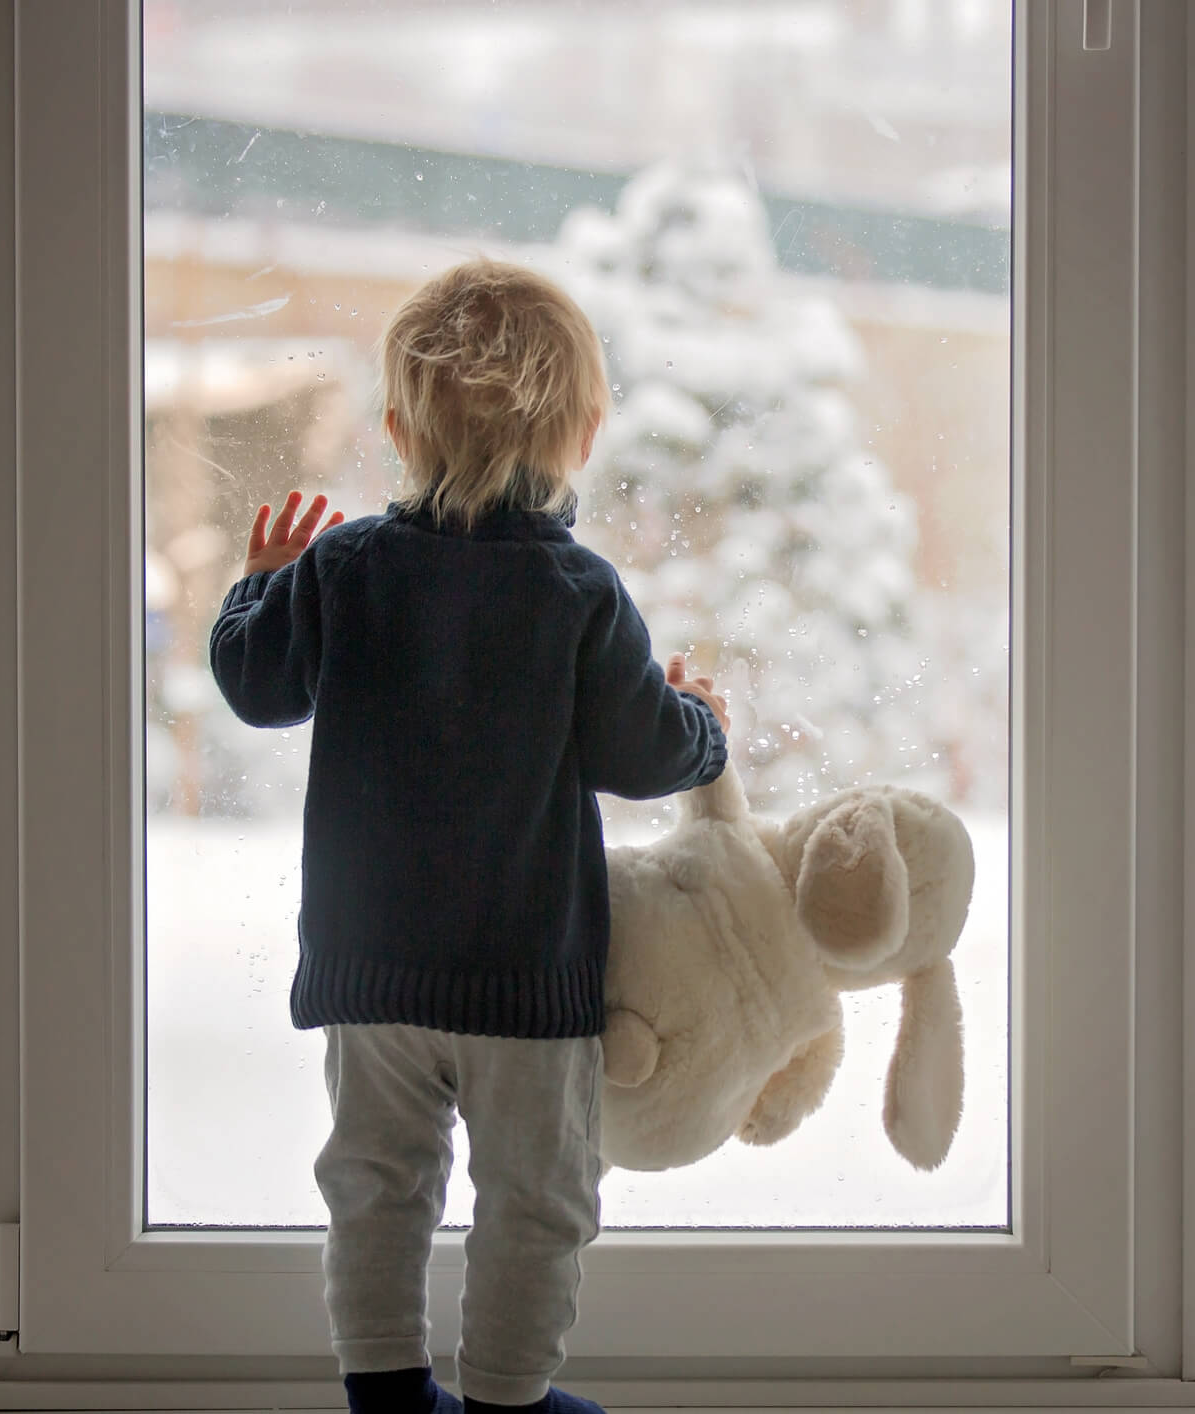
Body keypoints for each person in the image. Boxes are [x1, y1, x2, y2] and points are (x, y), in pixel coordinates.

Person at [210, 258, 730, 1414]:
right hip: (521, 974)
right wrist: (702, 728)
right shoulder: (578, 594)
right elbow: (643, 755)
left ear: (397, 427)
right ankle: (508, 1398)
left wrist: (259, 586)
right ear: (585, 434)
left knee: (377, 1182)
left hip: (372, 970)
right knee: (535, 1194)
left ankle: (386, 1390)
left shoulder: (342, 567)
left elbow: (257, 686)